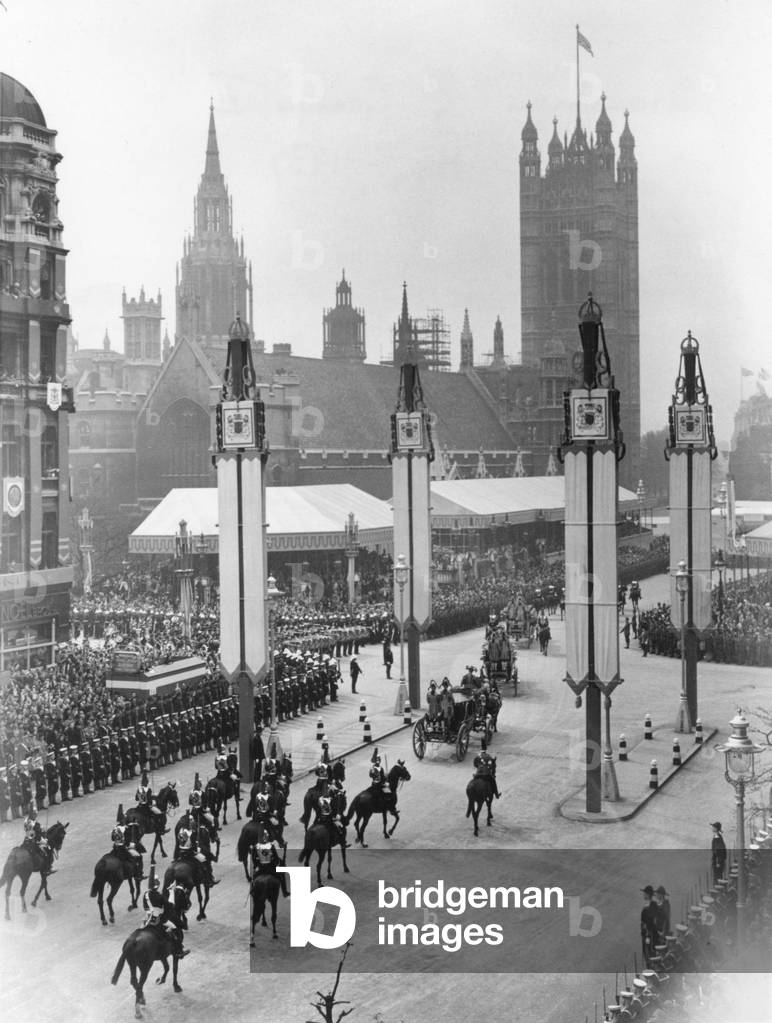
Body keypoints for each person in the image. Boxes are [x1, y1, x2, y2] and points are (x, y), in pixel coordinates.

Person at [142, 870, 190, 958]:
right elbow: (171, 905)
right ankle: (179, 950)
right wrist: (171, 891)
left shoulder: (145, 894)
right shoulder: (159, 896)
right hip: (159, 920)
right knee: (174, 927)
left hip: (147, 919)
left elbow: (145, 907)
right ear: (158, 885)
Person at [22, 806, 49, 874]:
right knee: (47, 848)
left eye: (36, 813)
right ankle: (46, 869)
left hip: (27, 839)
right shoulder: (31, 822)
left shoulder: (27, 820)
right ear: (31, 814)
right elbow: (36, 832)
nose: (36, 814)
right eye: (34, 813)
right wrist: (43, 833)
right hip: (34, 840)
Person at [640, 885, 659, 966]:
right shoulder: (654, 905)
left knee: (648, 951)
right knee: (651, 951)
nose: (643, 895)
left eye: (644, 893)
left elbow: (647, 922)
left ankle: (650, 968)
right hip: (653, 933)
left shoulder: (647, 908)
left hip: (648, 934)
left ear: (647, 894)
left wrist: (647, 935)